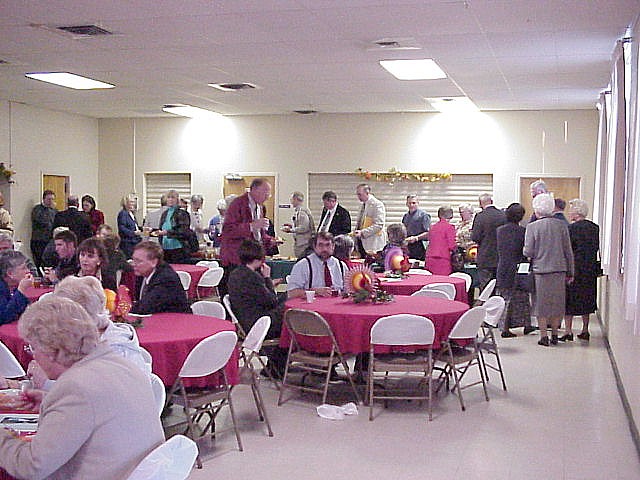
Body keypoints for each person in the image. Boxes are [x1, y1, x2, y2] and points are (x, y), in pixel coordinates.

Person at [0, 297, 164, 479]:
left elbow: (31, 467)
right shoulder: (121, 364)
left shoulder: (76, 388)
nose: (34, 356)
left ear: (53, 351)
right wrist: (51, 402)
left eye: (33, 348)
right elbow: (99, 412)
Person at [228, 239, 288, 376]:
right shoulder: (253, 277)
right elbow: (272, 301)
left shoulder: (236, 274)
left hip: (245, 320)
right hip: (258, 323)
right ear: (260, 258)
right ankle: (276, 365)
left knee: (287, 302)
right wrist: (267, 279)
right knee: (290, 311)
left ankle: (276, 364)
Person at [524, 193, 574, 347]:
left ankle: (544, 336)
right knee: (557, 303)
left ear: (536, 209)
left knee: (541, 304)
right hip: (559, 270)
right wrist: (571, 271)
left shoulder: (532, 227)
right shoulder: (562, 226)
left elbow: (528, 251)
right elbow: (568, 250)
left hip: (540, 271)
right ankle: (555, 334)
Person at [220, 178, 275, 296]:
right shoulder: (237, 204)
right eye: (265, 192)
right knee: (239, 294)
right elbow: (228, 231)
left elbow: (257, 234)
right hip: (238, 258)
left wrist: (269, 240)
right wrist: (251, 226)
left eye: (269, 193)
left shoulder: (260, 207)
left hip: (254, 258)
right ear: (253, 189)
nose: (267, 196)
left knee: (255, 294)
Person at [560, 199, 600, 342]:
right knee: (587, 298)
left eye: (571, 210)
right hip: (589, 269)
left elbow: (567, 250)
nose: (569, 213)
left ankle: (568, 331)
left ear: (576, 213)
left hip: (574, 268)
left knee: (569, 300)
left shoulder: (570, 229)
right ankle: (585, 329)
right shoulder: (594, 228)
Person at [496, 203, 534, 337]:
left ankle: (504, 327)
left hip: (503, 266)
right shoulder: (523, 231)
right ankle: (525, 324)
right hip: (519, 266)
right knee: (523, 297)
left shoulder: (500, 231)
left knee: (506, 297)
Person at [130, 241, 189, 314]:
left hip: (175, 318)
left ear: (154, 262)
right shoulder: (142, 274)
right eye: (133, 260)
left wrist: (125, 308)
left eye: (138, 261)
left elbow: (145, 307)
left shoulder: (166, 279)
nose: (133, 264)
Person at [287, 232, 347, 298]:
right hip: (310, 304)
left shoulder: (341, 266)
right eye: (320, 245)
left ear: (333, 246)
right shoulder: (302, 265)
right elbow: (292, 293)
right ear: (314, 247)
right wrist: (315, 291)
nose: (324, 249)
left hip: (336, 304)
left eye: (328, 245)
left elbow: (349, 292)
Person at [471, 193, 506, 291]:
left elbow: (475, 237)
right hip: (500, 257)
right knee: (499, 287)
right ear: (491, 201)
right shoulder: (503, 215)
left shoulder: (480, 216)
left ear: (480, 203)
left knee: (486, 289)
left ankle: (487, 301)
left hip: (485, 257)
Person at [157, 189, 192, 264]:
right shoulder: (164, 214)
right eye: (168, 197)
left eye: (173, 197)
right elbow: (161, 229)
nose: (170, 200)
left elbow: (184, 231)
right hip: (165, 248)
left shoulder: (182, 213)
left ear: (177, 200)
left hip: (178, 248)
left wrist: (167, 233)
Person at [354, 184, 386, 257]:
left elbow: (379, 225)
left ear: (367, 193)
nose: (358, 197)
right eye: (357, 194)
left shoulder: (377, 204)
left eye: (360, 194)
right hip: (361, 242)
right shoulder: (362, 205)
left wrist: (362, 232)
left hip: (373, 243)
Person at [0, 250, 32, 325]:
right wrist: (21, 290)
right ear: (10, 273)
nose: (28, 271)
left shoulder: (13, 286)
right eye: (23, 268)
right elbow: (4, 317)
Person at [282, 191, 315, 258]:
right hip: (301, 243)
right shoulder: (298, 211)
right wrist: (292, 226)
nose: (291, 201)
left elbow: (304, 227)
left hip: (303, 243)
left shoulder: (302, 212)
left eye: (292, 199)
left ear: (296, 199)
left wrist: (291, 230)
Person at [425, 206, 456, 275]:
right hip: (443, 259)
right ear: (451, 215)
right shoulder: (449, 227)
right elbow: (451, 245)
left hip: (430, 258)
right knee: (443, 280)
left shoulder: (432, 227)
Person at [31, 190, 57, 270]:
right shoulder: (37, 209)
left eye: (52, 199)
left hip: (50, 240)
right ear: (44, 199)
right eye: (49, 199)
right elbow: (41, 221)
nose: (51, 201)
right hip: (38, 240)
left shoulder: (54, 211)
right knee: (39, 262)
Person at [402, 195, 431, 260]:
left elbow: (428, 233)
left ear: (418, 203)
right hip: (408, 247)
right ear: (406, 204)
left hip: (420, 247)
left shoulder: (424, 216)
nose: (411, 205)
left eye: (414, 203)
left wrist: (416, 238)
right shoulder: (405, 216)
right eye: (409, 203)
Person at [117, 194, 142, 258]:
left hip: (135, 241)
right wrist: (133, 233)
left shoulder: (131, 213)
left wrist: (142, 228)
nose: (133, 204)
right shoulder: (123, 213)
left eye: (134, 202)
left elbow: (133, 226)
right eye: (131, 202)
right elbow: (122, 228)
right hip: (128, 243)